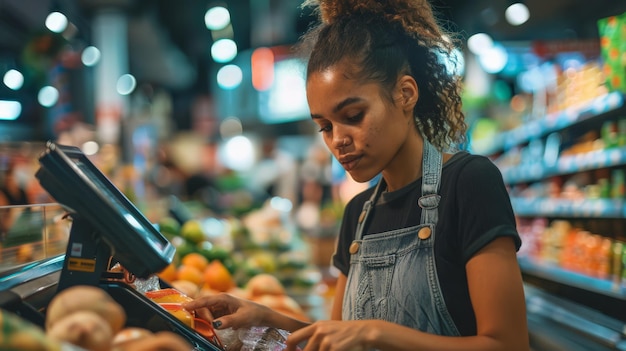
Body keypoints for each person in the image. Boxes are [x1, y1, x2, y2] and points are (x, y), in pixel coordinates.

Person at [183, 0, 529, 350]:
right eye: (325, 127)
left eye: (353, 115)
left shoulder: (469, 183)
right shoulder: (358, 215)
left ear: (405, 94)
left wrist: (373, 331)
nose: (338, 140)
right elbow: (339, 337)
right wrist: (266, 318)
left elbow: (508, 344)